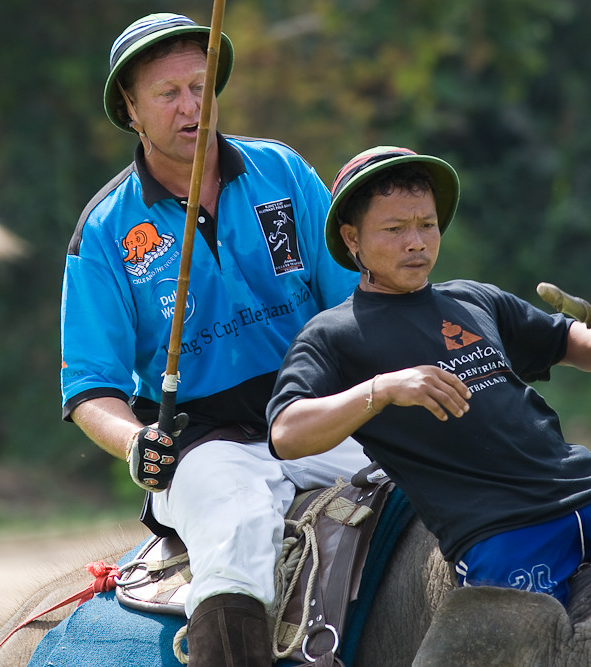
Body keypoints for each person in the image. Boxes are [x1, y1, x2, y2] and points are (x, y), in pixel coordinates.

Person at [267, 146, 591, 608]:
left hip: (589, 490)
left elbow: (568, 341)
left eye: (427, 225)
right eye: (394, 229)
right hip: (498, 527)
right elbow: (287, 433)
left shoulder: (473, 298)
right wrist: (383, 389)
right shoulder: (333, 333)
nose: (416, 242)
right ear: (352, 240)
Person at [59, 13, 370, 666]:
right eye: (168, 94)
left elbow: (355, 307)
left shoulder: (282, 175)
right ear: (131, 109)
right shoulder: (108, 230)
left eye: (201, 87)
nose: (191, 106)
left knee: (426, 481)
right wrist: (135, 440)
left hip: (313, 414)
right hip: (203, 442)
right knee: (237, 533)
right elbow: (90, 386)